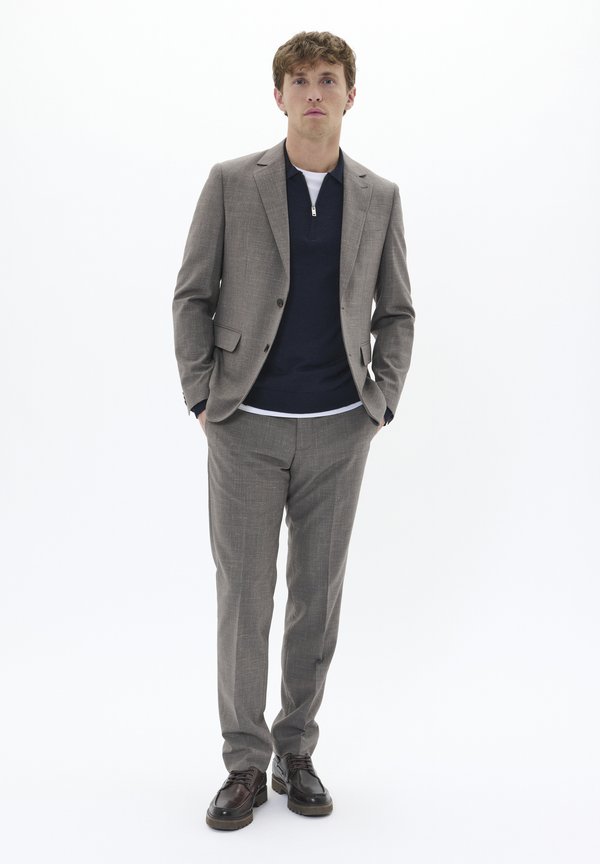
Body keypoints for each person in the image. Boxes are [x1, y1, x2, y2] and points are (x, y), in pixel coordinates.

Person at [172, 30, 415, 831]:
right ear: (278, 96)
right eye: (300, 80)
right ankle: (244, 764)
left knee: (316, 597)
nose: (315, 92)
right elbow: (192, 296)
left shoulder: (379, 197)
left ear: (351, 95)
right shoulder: (231, 183)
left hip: (340, 431)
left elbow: (397, 311)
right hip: (245, 427)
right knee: (244, 597)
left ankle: (296, 750)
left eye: (329, 79)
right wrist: (203, 396)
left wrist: (380, 402)